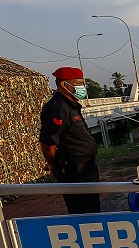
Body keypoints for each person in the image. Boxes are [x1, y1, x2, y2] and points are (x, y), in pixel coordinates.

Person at [39, 67, 101, 214]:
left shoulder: (72, 105)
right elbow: (48, 142)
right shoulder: (58, 108)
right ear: (64, 85)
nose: (82, 87)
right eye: (78, 83)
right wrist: (53, 164)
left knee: (93, 208)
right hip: (73, 168)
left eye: (82, 83)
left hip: (86, 166)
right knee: (83, 210)